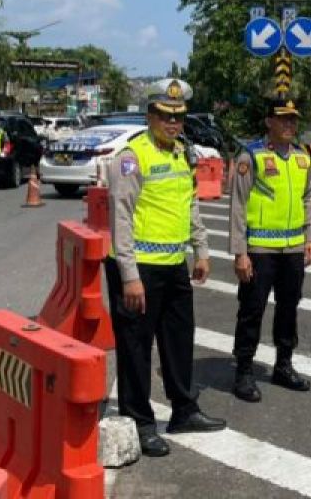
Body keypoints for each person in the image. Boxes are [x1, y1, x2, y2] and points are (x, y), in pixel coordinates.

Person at [102, 79, 225, 458]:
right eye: (165, 116)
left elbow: (190, 204)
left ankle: (184, 409)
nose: (173, 123)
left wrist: (201, 250)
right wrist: (129, 277)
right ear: (150, 116)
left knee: (179, 340)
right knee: (136, 348)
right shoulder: (131, 157)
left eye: (178, 117)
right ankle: (139, 422)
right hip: (138, 268)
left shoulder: (182, 154)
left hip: (173, 264)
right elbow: (120, 218)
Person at [229, 98, 311, 403]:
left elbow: (307, 200)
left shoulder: (302, 158)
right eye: (283, 119)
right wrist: (240, 252)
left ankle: (284, 365)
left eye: (293, 119)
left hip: (293, 249)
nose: (289, 124)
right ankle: (243, 371)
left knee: (288, 308)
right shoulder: (251, 156)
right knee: (252, 310)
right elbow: (238, 206)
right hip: (259, 249)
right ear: (269, 122)